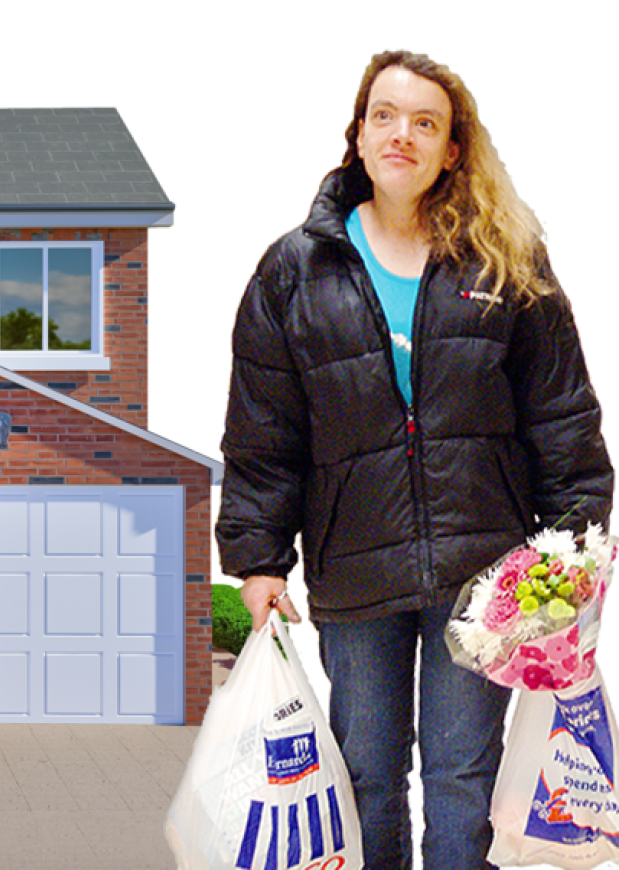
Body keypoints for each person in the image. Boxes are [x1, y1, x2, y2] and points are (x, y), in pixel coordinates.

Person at [213, 48, 615, 869]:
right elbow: (262, 433)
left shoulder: (508, 261)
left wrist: (574, 555)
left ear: (452, 148)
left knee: (466, 778)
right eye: (385, 117)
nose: (403, 135)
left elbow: (565, 421)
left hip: (486, 580)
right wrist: (255, 559)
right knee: (364, 776)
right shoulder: (293, 270)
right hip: (353, 570)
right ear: (358, 135)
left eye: (425, 123)